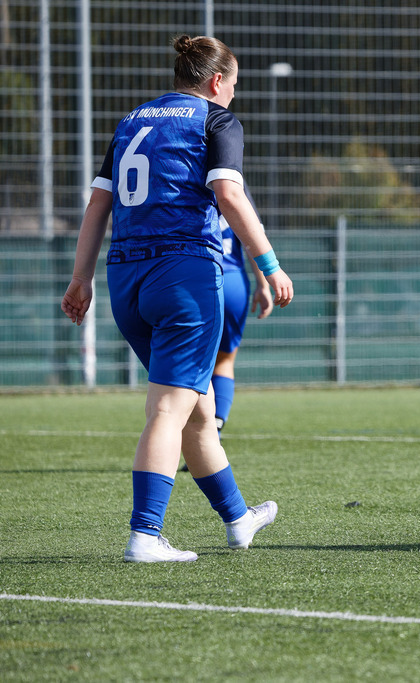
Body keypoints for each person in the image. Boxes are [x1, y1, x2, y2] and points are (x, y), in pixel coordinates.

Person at [60, 35, 294, 562]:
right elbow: (229, 194)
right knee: (169, 408)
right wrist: (270, 265)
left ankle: (238, 519)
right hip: (184, 274)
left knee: (198, 411)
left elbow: (98, 204)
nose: (233, 95)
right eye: (233, 85)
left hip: (125, 277)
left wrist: (81, 278)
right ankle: (145, 534)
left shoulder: (131, 121)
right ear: (217, 81)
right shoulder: (217, 120)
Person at [180, 203, 274, 474]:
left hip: (193, 280)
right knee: (223, 362)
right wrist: (263, 284)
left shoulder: (181, 183)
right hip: (233, 282)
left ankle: (178, 443)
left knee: (186, 367)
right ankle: (213, 436)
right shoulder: (234, 186)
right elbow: (253, 233)